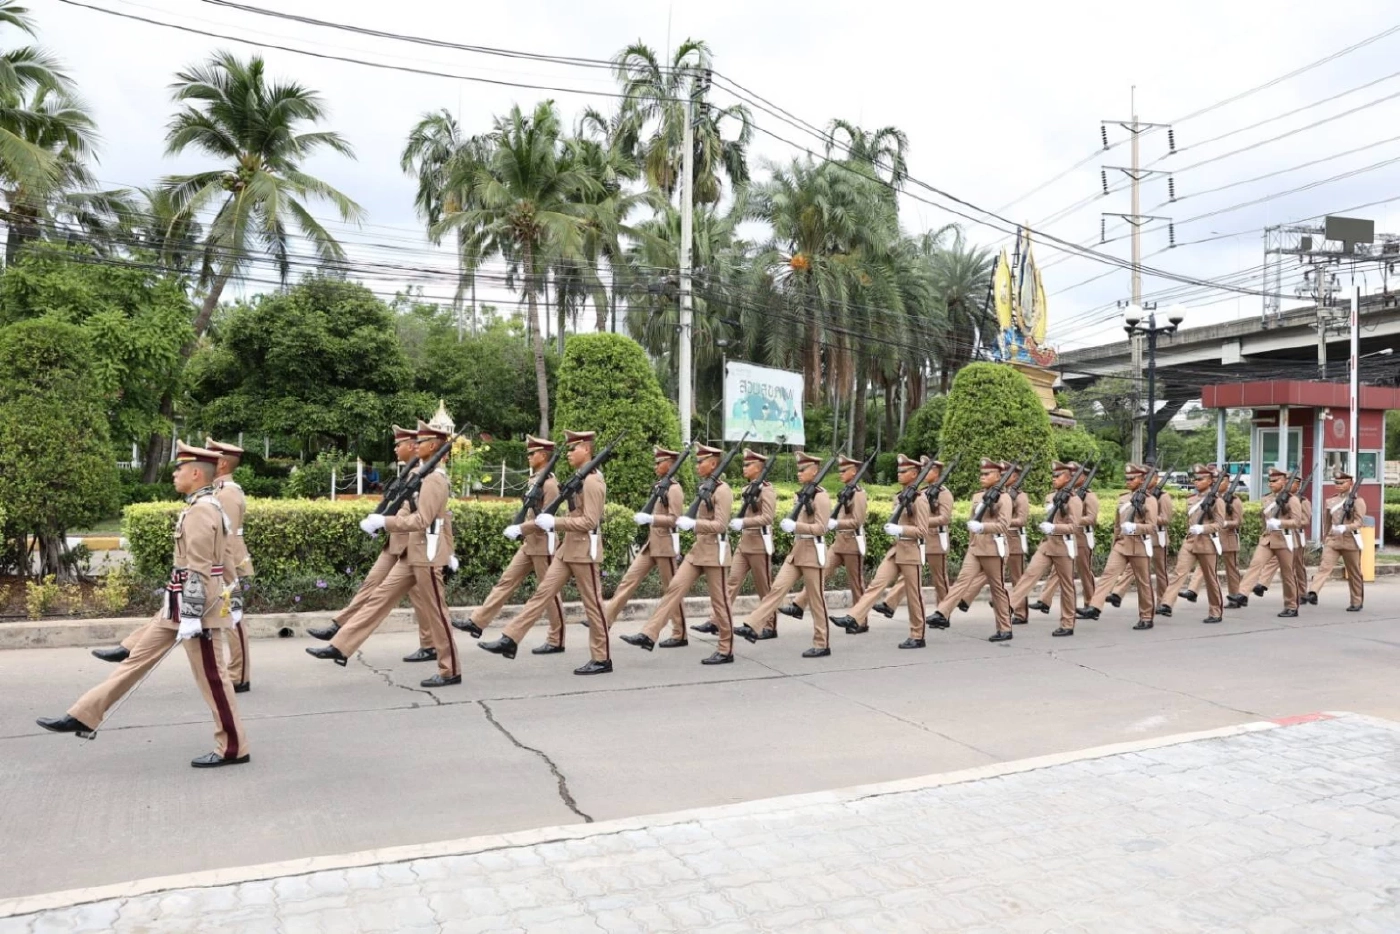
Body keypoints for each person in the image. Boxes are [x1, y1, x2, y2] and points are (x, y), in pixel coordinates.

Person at [38, 442, 249, 768]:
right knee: (135, 659)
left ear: (195, 473)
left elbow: (200, 567)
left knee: (213, 679)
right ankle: (84, 714)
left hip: (196, 608)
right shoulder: (203, 505)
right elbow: (223, 562)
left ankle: (233, 747)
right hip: (180, 602)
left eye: (179, 469)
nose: (175, 473)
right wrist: (230, 600)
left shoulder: (202, 509)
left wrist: (195, 614)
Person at [306, 421, 461, 686]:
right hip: (413, 553)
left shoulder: (435, 479)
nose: (416, 445)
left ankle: (450, 670)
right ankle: (341, 645)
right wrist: (385, 517)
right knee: (379, 597)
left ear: (434, 446)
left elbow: (424, 519)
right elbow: (408, 508)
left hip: (428, 553)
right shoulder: (422, 475)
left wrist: (385, 523)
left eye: (421, 442)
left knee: (437, 613)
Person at [480, 430, 612, 675]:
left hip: (584, 550)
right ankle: (511, 638)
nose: (569, 453)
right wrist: (525, 527)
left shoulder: (593, 481)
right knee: (542, 594)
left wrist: (554, 523)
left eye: (573, 449)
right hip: (567, 549)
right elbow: (565, 517)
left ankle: (602, 658)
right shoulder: (579, 477)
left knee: (593, 605)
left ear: (587, 449)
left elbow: (590, 521)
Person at [624, 444, 736, 665]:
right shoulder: (705, 487)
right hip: (697, 551)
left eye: (701, 461)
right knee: (673, 589)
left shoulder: (723, 491)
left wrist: (694, 523)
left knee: (720, 602)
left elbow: (721, 525)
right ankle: (649, 633)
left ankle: (726, 649)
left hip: (715, 553)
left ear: (714, 463)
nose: (696, 465)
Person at [453, 436, 567, 652]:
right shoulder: (534, 479)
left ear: (544, 456)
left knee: (548, 592)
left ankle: (557, 639)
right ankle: (477, 621)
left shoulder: (550, 484)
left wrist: (521, 529)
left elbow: (547, 519)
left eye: (533, 453)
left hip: (545, 546)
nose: (529, 457)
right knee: (506, 581)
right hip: (530, 543)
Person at [734, 453, 833, 657]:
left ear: (815, 471)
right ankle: (754, 625)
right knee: (776, 590)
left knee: (816, 599)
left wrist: (796, 525)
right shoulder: (802, 493)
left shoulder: (821, 496)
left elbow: (822, 528)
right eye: (798, 469)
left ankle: (822, 644)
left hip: (813, 552)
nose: (799, 473)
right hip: (797, 552)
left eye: (803, 470)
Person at [830, 454, 931, 648]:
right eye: (898, 470)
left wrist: (900, 530)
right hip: (896, 550)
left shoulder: (921, 500)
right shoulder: (899, 497)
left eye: (903, 471)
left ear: (914, 474)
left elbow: (923, 531)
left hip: (911, 551)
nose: (899, 474)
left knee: (914, 594)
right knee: (876, 584)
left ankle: (917, 635)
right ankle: (854, 617)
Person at [603, 446, 688, 648]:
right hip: (651, 544)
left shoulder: (674, 489)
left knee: (671, 590)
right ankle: (604, 620)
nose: (655, 466)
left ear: (670, 464)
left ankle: (680, 633)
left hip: (666, 545)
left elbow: (675, 519)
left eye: (659, 462)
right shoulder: (661, 486)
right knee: (628, 580)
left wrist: (651, 518)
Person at [927, 459, 1014, 641]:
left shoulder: (1004, 498)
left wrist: (983, 527)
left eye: (987, 474)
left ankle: (1005, 628)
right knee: (961, 581)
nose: (982, 477)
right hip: (975, 548)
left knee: (997, 589)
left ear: (998, 476)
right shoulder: (977, 496)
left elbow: (1004, 525)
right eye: (981, 474)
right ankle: (942, 613)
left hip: (993, 548)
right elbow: (971, 522)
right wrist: (972, 540)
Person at [786, 455, 867, 629]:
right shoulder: (845, 491)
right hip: (838, 544)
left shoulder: (859, 494)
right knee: (819, 575)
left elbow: (858, 521)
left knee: (856, 584)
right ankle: (799, 605)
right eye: (840, 470)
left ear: (854, 472)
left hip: (853, 543)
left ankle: (860, 621)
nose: (841, 473)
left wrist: (837, 523)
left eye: (844, 470)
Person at [1076, 464, 1159, 630]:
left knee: (1143, 583)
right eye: (1127, 478)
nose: (1128, 481)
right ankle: (1095, 607)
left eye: (1132, 478)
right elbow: (1116, 524)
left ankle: (1146, 616)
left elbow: (1152, 526)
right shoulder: (1123, 499)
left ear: (1142, 479)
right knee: (1108, 574)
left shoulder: (1150, 500)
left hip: (1139, 545)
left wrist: (1136, 527)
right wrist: (1115, 541)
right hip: (1122, 544)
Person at [1007, 461, 1083, 637]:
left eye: (1058, 476)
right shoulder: (1050, 497)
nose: (1054, 478)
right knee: (1030, 574)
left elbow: (1074, 526)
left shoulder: (1075, 500)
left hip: (1064, 546)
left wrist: (1055, 528)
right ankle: (1009, 604)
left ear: (1068, 478)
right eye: (1053, 475)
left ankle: (1067, 623)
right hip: (1047, 544)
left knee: (1067, 586)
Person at [206, 438, 254, 691]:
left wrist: (224, 571)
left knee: (232, 617)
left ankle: (239, 674)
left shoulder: (225, 493)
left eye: (209, 459)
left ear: (222, 464)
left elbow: (227, 537)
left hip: (225, 565)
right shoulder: (220, 490)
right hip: (220, 564)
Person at [712, 449, 776, 637]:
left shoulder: (767, 490)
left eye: (748, 465)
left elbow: (768, 517)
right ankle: (717, 621)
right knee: (731, 582)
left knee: (764, 588)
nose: (744, 467)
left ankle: (769, 626)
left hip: (759, 544)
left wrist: (744, 522)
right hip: (744, 543)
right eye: (744, 464)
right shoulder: (747, 489)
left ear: (759, 468)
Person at [1157, 464, 1227, 623]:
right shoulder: (1191, 500)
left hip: (1207, 543)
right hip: (1190, 541)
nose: (1196, 482)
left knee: (1210, 579)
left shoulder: (1217, 501)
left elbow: (1220, 524)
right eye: (1195, 479)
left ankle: (1215, 611)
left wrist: (1203, 528)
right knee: (1178, 572)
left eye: (1200, 479)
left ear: (1210, 481)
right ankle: (1167, 603)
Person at [1235, 467, 1304, 617]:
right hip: (1267, 539)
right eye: (1269, 480)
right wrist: (1266, 530)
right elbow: (1263, 520)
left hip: (1285, 539)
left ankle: (1291, 606)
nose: (1271, 483)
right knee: (1255, 564)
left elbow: (1297, 522)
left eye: (1275, 480)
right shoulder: (1266, 499)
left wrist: (1279, 523)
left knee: (1287, 575)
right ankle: (1242, 594)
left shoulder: (1292, 500)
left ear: (1284, 482)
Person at [1306, 471, 1367, 611]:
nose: (1338, 485)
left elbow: (1359, 523)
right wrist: (1326, 538)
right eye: (1336, 483)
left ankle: (1356, 601)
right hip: (1333, 541)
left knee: (1354, 573)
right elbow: (1327, 522)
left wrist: (1345, 527)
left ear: (1350, 483)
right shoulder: (1331, 501)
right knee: (1324, 567)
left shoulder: (1358, 501)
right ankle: (1313, 592)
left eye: (1342, 483)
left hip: (1350, 541)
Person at [1004, 462, 1031, 626]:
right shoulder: (1001, 494)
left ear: (1014, 476)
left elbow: (1021, 520)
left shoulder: (1020, 496)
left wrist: (1003, 522)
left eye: (1005, 473)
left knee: (1017, 578)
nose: (1002, 476)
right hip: (999, 541)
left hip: (1014, 540)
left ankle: (1021, 613)